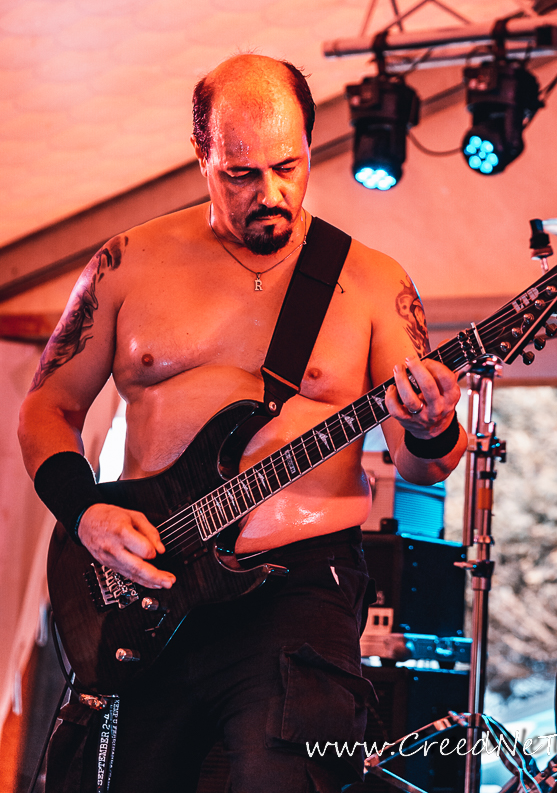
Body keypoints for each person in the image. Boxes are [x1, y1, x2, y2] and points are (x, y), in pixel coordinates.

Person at [19, 54, 467, 793]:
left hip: (300, 588)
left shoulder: (371, 282)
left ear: (310, 145)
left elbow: (425, 464)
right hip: (148, 585)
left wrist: (430, 424)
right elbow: (48, 405)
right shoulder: (127, 263)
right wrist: (85, 510)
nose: (270, 194)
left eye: (288, 167)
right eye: (241, 174)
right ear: (202, 154)